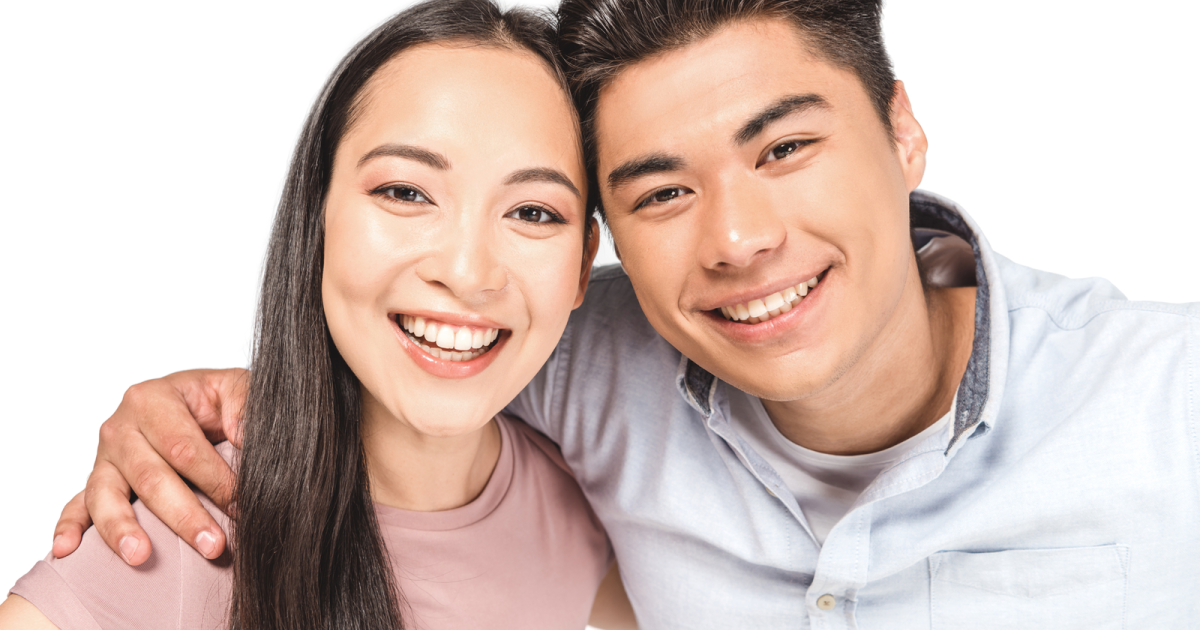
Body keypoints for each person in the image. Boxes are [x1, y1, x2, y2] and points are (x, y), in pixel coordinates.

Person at [34, 0, 1200, 627]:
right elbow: (410, 342)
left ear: (902, 130)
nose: (737, 238)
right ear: (611, 235)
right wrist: (193, 406)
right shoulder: (579, 360)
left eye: (785, 147)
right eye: (662, 191)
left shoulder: (1167, 407)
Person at [0, 1, 638, 628]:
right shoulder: (178, 543)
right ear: (317, 218)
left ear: (584, 263)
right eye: (405, 192)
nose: (468, 273)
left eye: (533, 212)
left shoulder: (581, 511)